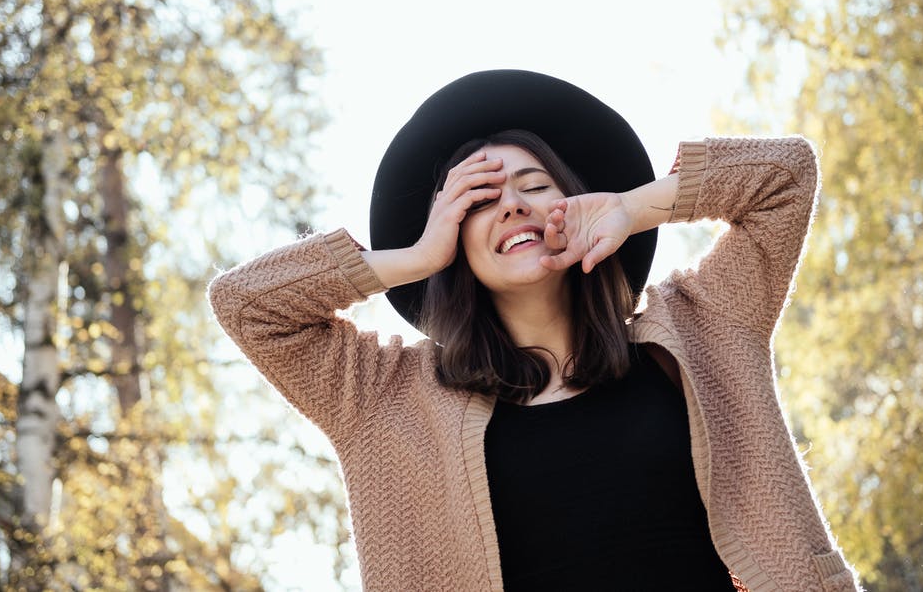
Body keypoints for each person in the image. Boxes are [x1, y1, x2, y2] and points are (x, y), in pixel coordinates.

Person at [208, 70, 860, 591]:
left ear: (575, 202)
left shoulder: (701, 321)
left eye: (534, 184)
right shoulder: (385, 398)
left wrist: (634, 206)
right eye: (479, 200)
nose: (513, 204)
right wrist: (415, 256)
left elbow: (787, 176)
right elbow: (246, 304)